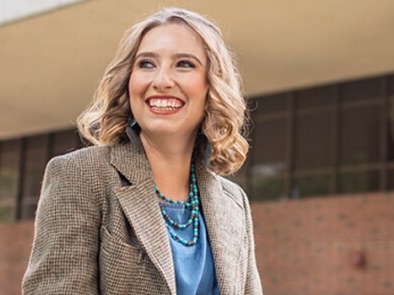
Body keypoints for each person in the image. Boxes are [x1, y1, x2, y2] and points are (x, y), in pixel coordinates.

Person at [22, 7, 262, 295]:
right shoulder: (80, 176)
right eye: (146, 64)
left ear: (212, 85)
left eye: (184, 64)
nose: (161, 80)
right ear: (128, 80)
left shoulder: (233, 202)